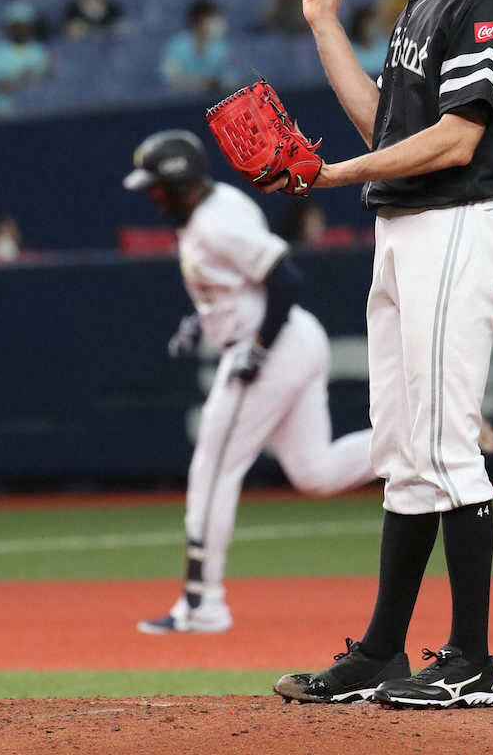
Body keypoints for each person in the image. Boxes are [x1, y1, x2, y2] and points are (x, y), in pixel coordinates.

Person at [272, 0, 493, 708]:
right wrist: (324, 27)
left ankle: (472, 661)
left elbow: (455, 140)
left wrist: (331, 176)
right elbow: (388, 126)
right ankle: (382, 651)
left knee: (447, 446)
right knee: (403, 452)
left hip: (456, 224)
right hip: (404, 230)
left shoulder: (485, 0)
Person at [123, 130, 375, 632]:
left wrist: (258, 349)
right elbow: (235, 288)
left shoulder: (216, 223)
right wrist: (199, 323)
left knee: (213, 468)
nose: (152, 196)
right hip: (290, 340)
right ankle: (420, 434)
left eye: (157, 187)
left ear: (180, 184)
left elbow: (285, 279)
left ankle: (202, 604)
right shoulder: (212, 208)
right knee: (315, 472)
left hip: (272, 347)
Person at [160, 0, 232, 95]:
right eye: (211, 19)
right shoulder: (177, 45)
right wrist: (199, 84)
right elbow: (170, 79)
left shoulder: (221, 47)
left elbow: (229, 78)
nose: (216, 23)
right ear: (198, 22)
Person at [0, 1, 50, 117]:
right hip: (1, 112)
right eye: (16, 26)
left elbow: (45, 81)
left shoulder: (41, 52)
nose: (20, 30)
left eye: (24, 26)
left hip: (36, 111)